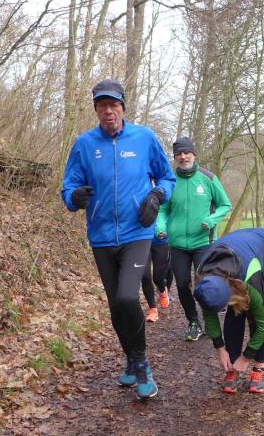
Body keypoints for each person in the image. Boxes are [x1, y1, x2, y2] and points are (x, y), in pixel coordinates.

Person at [61, 78, 175, 400]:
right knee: (115, 305)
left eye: (113, 105)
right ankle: (131, 359)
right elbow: (68, 188)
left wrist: (156, 196)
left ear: (123, 107)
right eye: (101, 105)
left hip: (137, 232)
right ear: (96, 109)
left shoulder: (144, 138)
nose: (108, 111)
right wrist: (74, 197)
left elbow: (167, 178)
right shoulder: (84, 144)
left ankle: (142, 363)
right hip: (101, 237)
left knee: (127, 297)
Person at [193, 228, 264, 394]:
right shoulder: (203, 276)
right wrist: (220, 348)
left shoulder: (249, 275)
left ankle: (259, 368)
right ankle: (233, 364)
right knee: (236, 310)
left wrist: (246, 357)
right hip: (241, 248)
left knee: (256, 310)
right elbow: (208, 313)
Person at [155, 137, 231, 341]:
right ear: (175, 157)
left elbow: (225, 205)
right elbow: (163, 209)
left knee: (206, 284)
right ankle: (193, 322)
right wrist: (160, 226)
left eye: (186, 152)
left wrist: (212, 219)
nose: (183, 157)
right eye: (178, 154)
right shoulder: (171, 181)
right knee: (182, 285)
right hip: (178, 244)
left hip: (203, 242)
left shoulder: (208, 178)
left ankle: (210, 321)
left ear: (194, 154)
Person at [141, 231, 173, 323]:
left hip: (161, 241)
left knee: (158, 278)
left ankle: (162, 291)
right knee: (145, 275)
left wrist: (168, 231)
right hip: (141, 241)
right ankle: (153, 310)